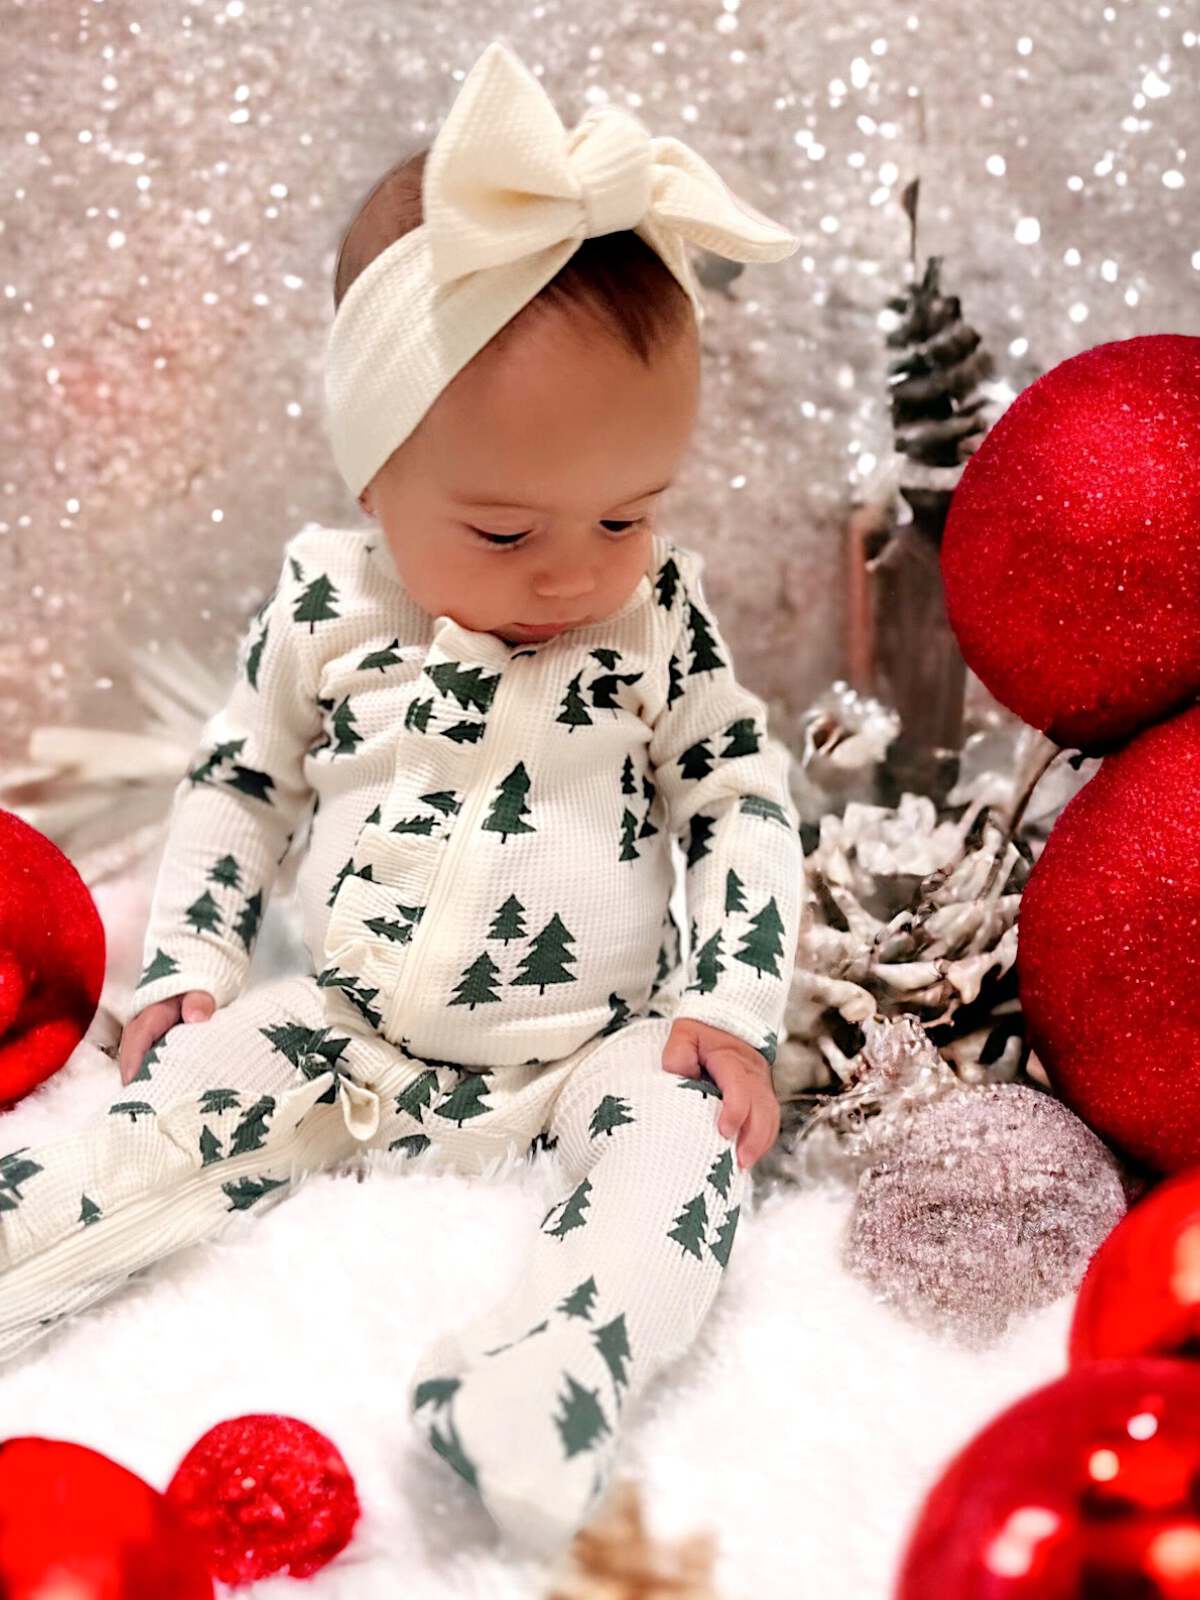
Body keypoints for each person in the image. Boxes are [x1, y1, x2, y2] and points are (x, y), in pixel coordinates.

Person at [0, 39, 805, 1560]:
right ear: (375, 476)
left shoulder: (656, 625)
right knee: (162, 1115)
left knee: (684, 1162)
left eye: (628, 513)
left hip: (594, 1045)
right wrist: (189, 965)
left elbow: (740, 798)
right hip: (351, 1025)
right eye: (503, 528)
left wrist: (730, 998)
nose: (573, 570)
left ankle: (552, 1372)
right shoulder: (327, 604)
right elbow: (239, 785)